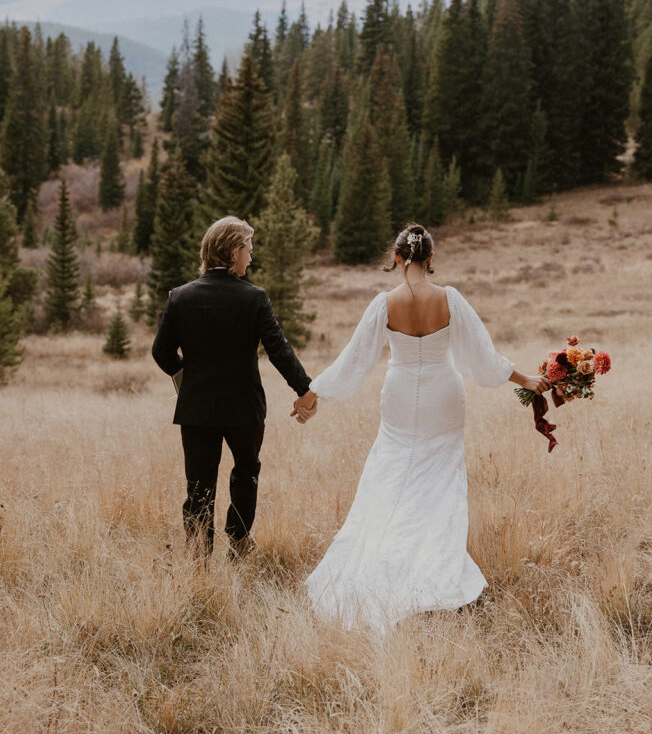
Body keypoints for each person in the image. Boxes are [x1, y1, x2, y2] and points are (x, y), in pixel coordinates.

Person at [292, 223, 550, 631]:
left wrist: (314, 391)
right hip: (443, 397)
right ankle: (433, 571)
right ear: (431, 259)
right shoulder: (450, 299)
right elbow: (483, 357)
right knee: (440, 481)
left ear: (396, 258)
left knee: (390, 473)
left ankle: (382, 558)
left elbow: (354, 359)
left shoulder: (384, 303)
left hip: (399, 399)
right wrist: (527, 380)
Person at [152, 215, 318, 560]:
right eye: (248, 250)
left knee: (198, 484)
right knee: (246, 472)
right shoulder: (254, 298)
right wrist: (304, 389)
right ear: (232, 251)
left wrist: (187, 379)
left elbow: (161, 352)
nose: (251, 258)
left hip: (197, 408)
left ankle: (199, 556)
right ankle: (239, 541)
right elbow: (279, 350)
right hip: (245, 408)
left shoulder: (180, 297)